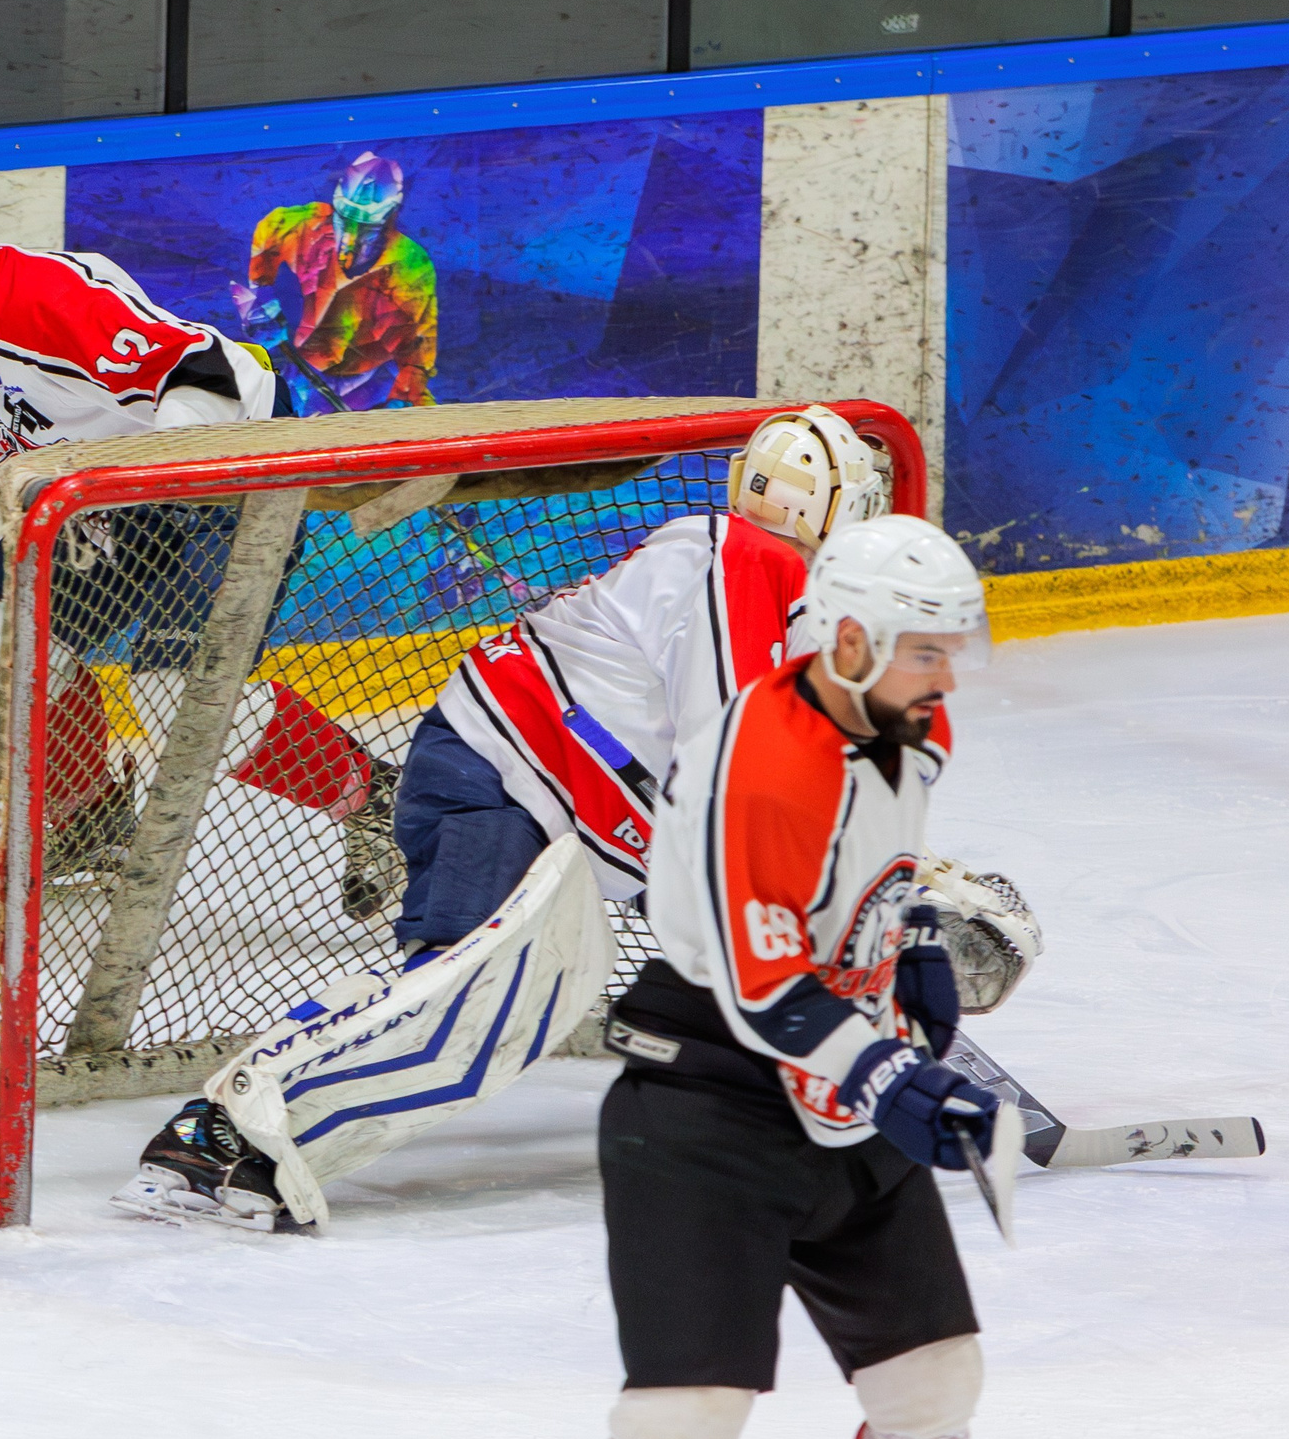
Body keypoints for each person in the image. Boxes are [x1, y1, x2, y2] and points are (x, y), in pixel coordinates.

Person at [110, 407, 908, 1229]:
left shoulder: (757, 578)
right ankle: (226, 1127)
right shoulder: (742, 556)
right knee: (458, 989)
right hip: (503, 774)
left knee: (473, 998)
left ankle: (809, 1095)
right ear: (829, 505)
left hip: (537, 790)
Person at [0, 161, 399, 902]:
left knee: (173, 697)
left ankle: (377, 796)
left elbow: (202, 370)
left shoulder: (54, 298)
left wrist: (150, 480)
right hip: (105, 493)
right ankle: (91, 813)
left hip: (222, 464)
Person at [564, 513, 1004, 1439]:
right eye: (924, 650)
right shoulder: (759, 766)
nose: (946, 677)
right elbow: (763, 990)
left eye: (953, 649)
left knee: (933, 1391)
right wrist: (891, 1074)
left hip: (840, 1081)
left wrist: (919, 938)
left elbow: (880, 854)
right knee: (685, 1422)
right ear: (846, 643)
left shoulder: (912, 725)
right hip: (705, 1102)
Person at [236, 150, 438, 411]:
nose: (350, 240)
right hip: (300, 371)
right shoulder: (303, 225)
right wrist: (262, 291)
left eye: (367, 229)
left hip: (370, 384)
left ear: (389, 218)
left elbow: (418, 351)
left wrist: (403, 397)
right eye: (344, 221)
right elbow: (269, 231)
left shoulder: (410, 265)